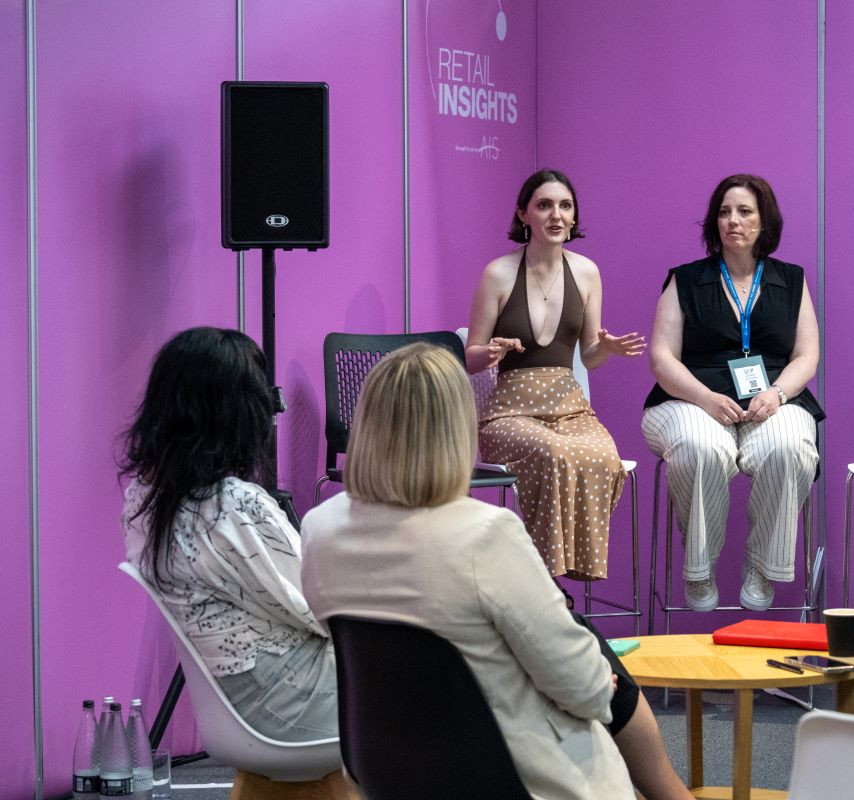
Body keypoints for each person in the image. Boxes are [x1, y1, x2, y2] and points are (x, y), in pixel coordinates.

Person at [300, 343, 690, 800]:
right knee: (592, 660)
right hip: (518, 779)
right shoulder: (485, 534)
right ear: (456, 430)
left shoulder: (319, 529)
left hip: (390, 777)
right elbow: (583, 689)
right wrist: (595, 680)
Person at [120, 327, 336, 742]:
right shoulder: (235, 505)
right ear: (240, 411)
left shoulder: (142, 501)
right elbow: (319, 607)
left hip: (236, 702)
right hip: (292, 699)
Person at [643, 174, 822, 612]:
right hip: (689, 401)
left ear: (765, 222)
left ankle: (762, 565)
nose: (732, 221)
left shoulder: (791, 280)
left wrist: (778, 394)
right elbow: (662, 358)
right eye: (724, 212)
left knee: (792, 448)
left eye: (744, 212)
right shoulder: (685, 280)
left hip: (773, 402)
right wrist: (705, 397)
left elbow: (807, 355)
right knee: (699, 447)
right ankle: (700, 568)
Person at [465, 168, 645, 582]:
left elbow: (592, 356)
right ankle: (543, 578)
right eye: (544, 205)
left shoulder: (586, 272)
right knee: (555, 454)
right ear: (523, 215)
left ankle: (571, 572)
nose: (556, 215)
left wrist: (608, 348)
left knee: (603, 456)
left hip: (570, 408)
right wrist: (489, 353)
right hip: (510, 414)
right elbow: (470, 357)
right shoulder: (498, 273)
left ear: (574, 217)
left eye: (565, 206)